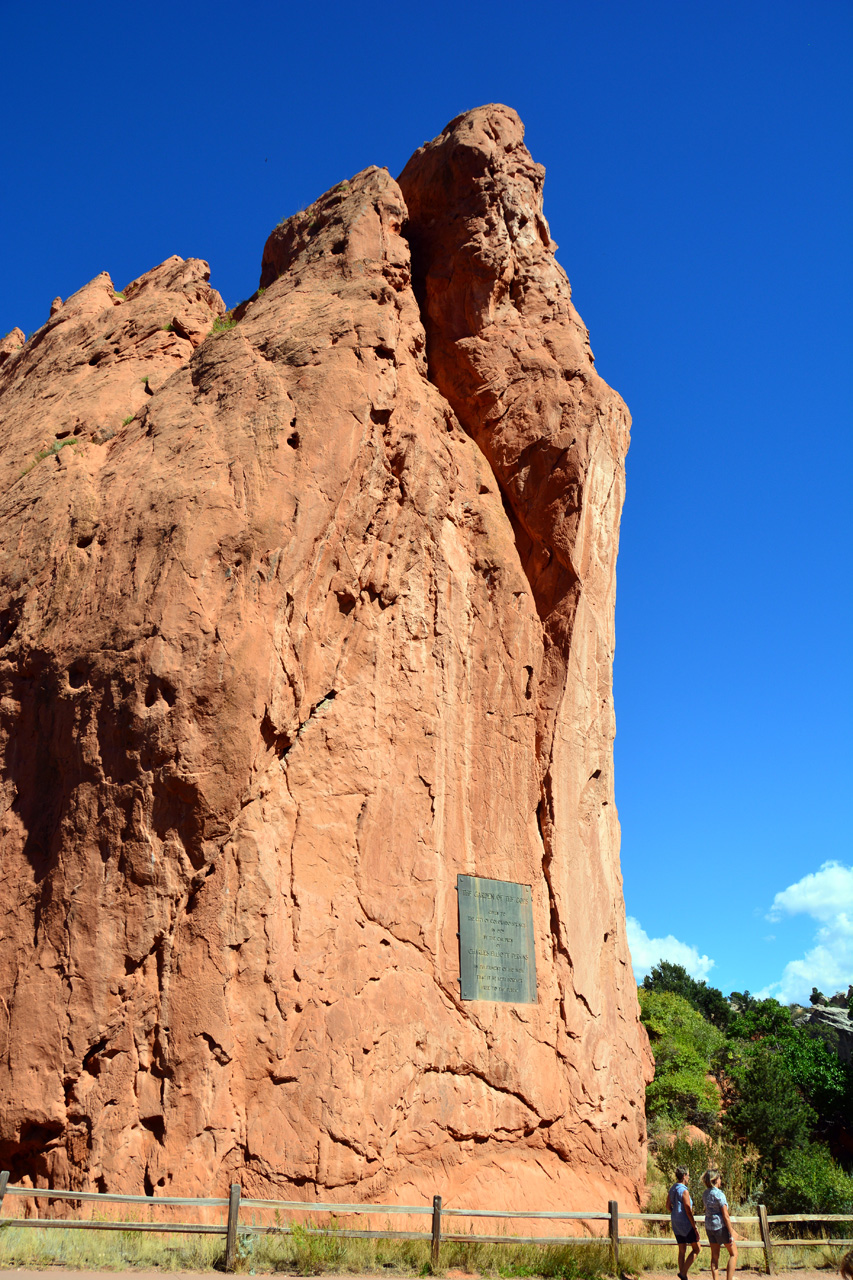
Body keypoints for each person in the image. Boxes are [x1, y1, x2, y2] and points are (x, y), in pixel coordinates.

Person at [666, 1165, 700, 1280]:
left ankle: (683, 1275)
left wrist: (675, 1213)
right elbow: (688, 1209)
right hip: (685, 1222)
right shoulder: (684, 1191)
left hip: (675, 1222)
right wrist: (694, 1227)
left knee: (682, 1250)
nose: (689, 1178)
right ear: (684, 1176)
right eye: (688, 1175)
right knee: (697, 1248)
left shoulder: (672, 1188)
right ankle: (683, 1273)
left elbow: (667, 1205)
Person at [702, 1168, 737, 1280]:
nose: (721, 1180)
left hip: (709, 1226)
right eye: (720, 1178)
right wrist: (731, 1232)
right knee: (733, 1254)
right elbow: (725, 1215)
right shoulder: (719, 1194)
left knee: (714, 1257)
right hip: (720, 1227)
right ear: (716, 1179)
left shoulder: (705, 1193)